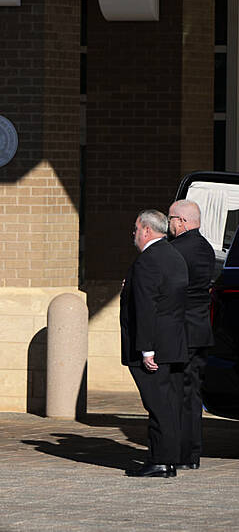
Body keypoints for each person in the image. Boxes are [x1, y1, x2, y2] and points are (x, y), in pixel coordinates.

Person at [121, 209, 188, 477]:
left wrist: (147, 349)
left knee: (157, 405)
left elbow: (147, 307)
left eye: (136, 229)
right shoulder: (174, 255)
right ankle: (169, 459)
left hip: (155, 347)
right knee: (168, 404)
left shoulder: (148, 260)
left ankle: (161, 460)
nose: (134, 235)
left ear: (147, 230)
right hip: (173, 343)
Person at [168, 199, 215, 470]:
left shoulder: (176, 250)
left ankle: (181, 453)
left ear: (182, 221)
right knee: (192, 394)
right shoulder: (206, 248)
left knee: (178, 394)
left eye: (171, 218)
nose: (169, 223)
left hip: (181, 332)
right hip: (199, 330)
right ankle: (192, 453)